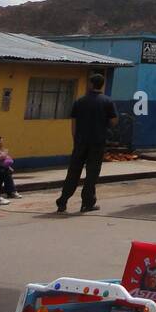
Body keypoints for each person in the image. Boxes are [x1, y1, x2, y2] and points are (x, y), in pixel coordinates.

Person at [56, 73, 116, 214]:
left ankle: (63, 202)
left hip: (80, 142)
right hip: (97, 143)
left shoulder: (79, 101)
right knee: (92, 174)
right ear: (102, 84)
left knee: (73, 173)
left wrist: (76, 141)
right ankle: (87, 203)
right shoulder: (107, 102)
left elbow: (74, 125)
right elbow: (114, 121)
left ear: (90, 84)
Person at [0, 134, 22, 199]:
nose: (1, 144)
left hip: (0, 169)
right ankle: (11, 192)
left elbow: (6, 161)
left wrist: (8, 165)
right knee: (5, 172)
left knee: (6, 171)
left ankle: (11, 192)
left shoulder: (0, 151)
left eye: (1, 143)